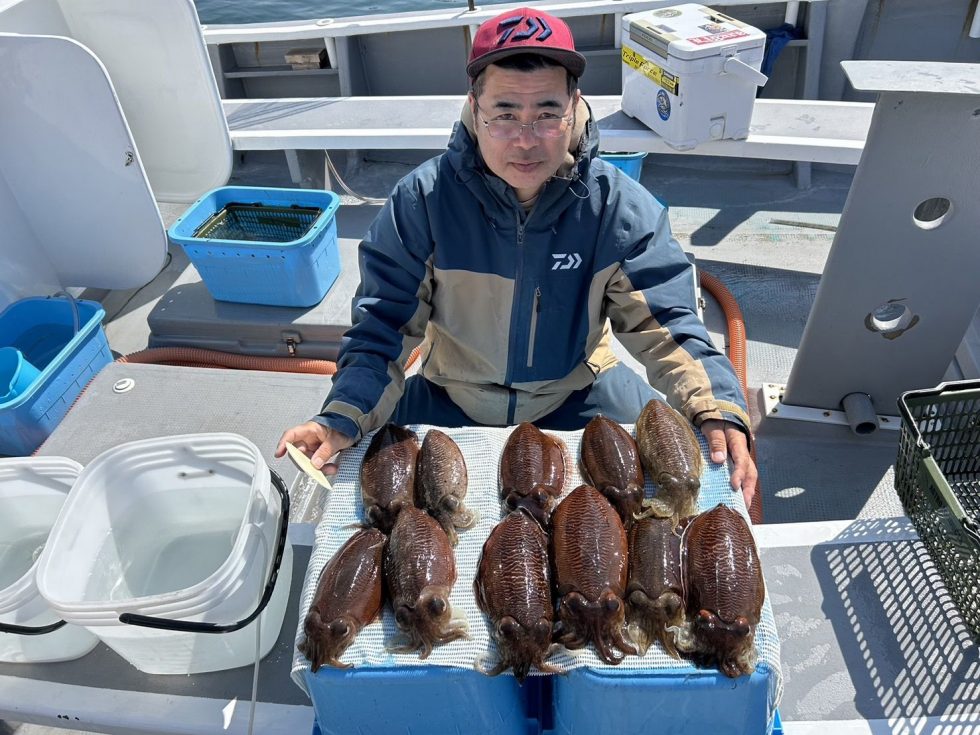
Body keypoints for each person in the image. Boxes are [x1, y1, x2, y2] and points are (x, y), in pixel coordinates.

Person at [276, 7, 758, 509]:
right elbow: (382, 328)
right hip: (451, 393)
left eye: (547, 114)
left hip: (576, 391)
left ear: (575, 105)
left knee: (695, 466)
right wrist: (341, 415)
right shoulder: (421, 201)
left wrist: (717, 408)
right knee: (365, 488)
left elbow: (670, 324)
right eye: (504, 114)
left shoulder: (618, 208)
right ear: (473, 107)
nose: (525, 140)